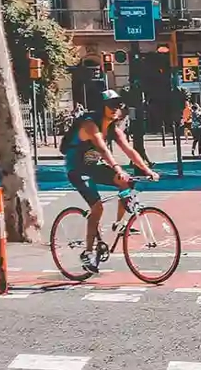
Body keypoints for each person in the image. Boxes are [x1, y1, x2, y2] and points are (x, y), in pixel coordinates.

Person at [61, 89, 159, 273]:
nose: (116, 108)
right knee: (97, 207)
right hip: (77, 169)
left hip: (93, 167)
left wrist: (147, 170)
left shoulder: (113, 128)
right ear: (102, 107)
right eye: (111, 105)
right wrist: (117, 168)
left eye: (119, 105)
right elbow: (103, 150)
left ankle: (119, 225)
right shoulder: (90, 124)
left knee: (127, 183)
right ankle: (88, 254)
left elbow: (130, 151)